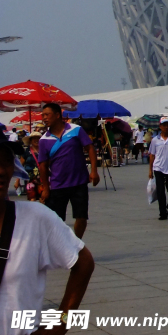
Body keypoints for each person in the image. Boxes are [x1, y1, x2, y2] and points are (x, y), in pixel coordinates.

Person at [0, 130, 97, 335]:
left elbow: (83, 262)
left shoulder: (35, 218)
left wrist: (61, 325)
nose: (0, 171)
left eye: (5, 161)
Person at [37, 102, 100, 239]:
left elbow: (90, 148)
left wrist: (94, 171)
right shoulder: (44, 140)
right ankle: (62, 247)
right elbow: (42, 166)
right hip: (58, 184)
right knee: (56, 220)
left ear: (58, 115)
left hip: (79, 182)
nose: (44, 118)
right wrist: (46, 188)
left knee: (81, 217)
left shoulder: (75, 130)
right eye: (42, 115)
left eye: (47, 115)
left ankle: (76, 244)